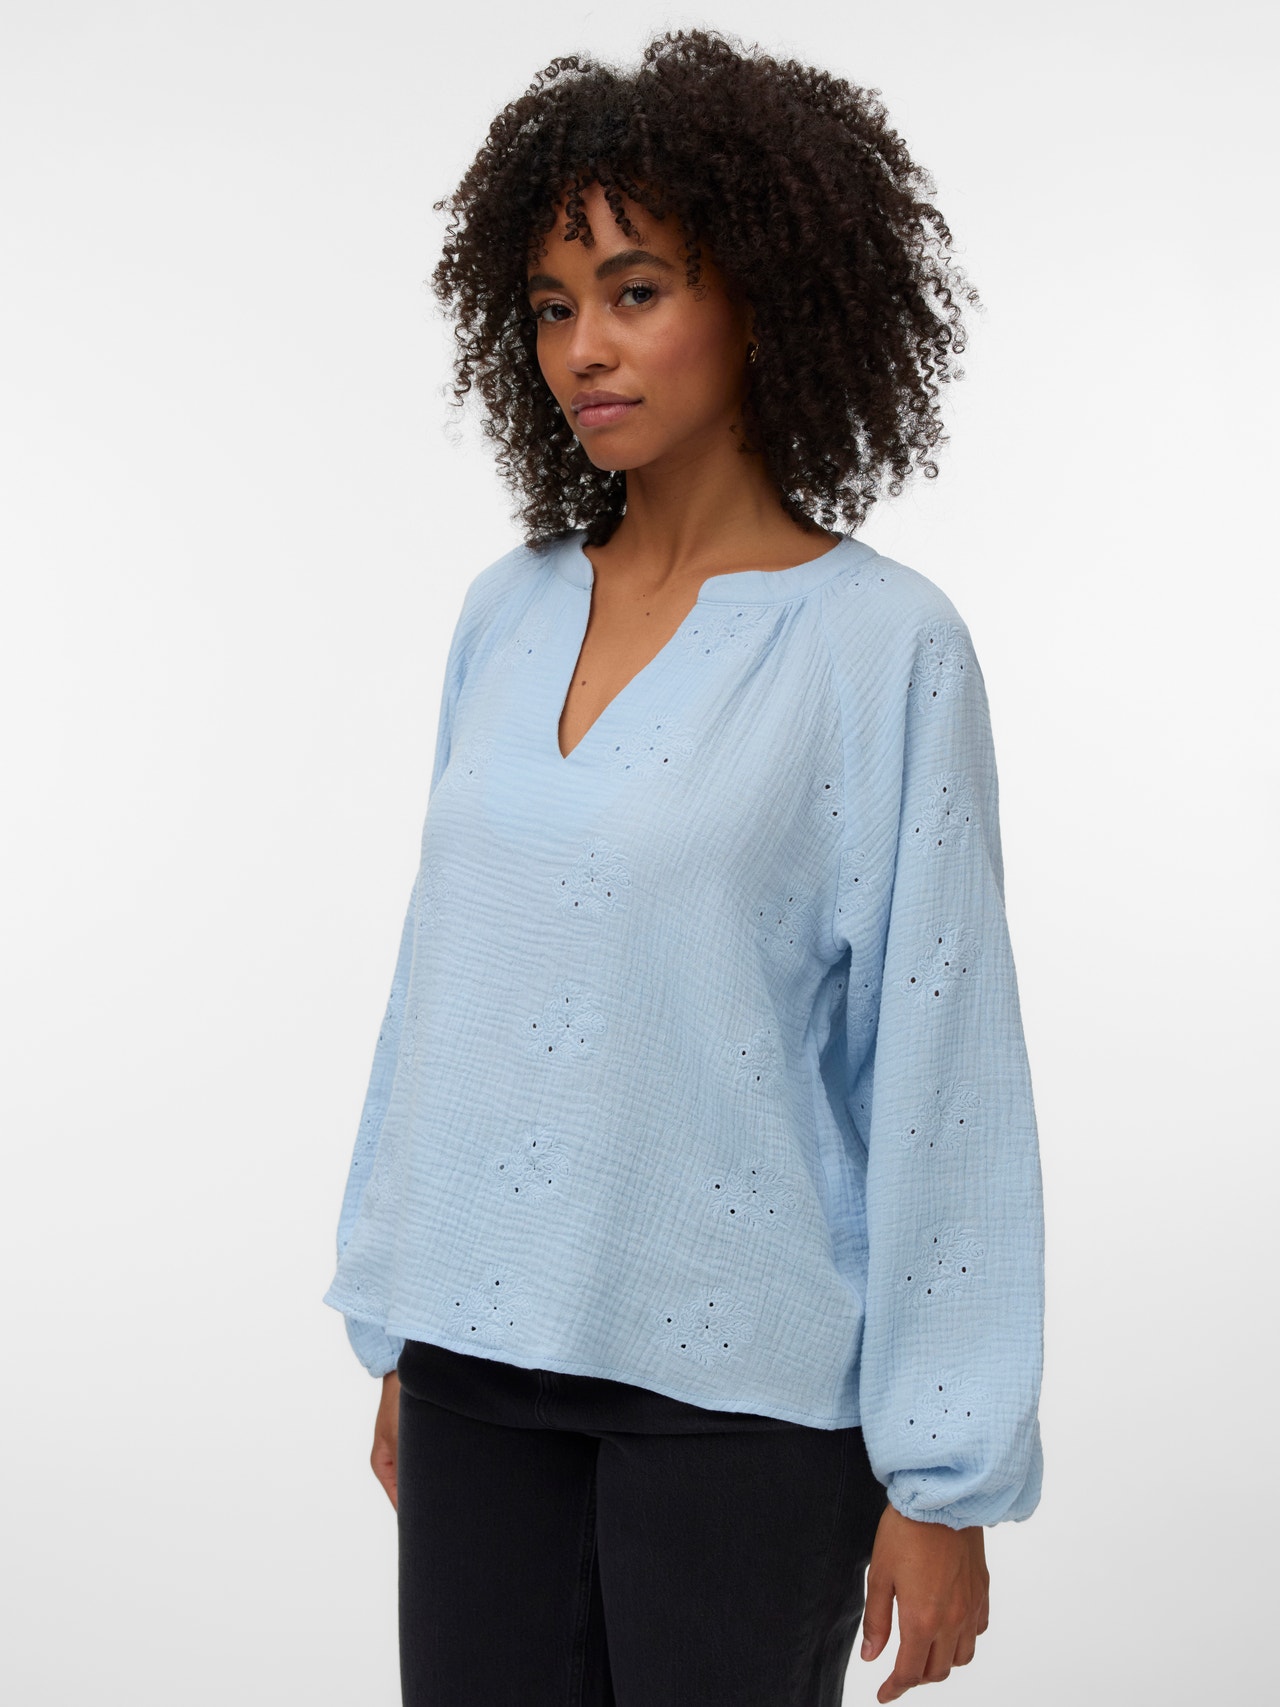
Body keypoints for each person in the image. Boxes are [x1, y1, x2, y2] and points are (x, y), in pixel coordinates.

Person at [322, 27, 1045, 1707]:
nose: (584, 346)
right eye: (551, 306)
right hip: (477, 1369)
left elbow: (941, 1068)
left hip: (744, 1404)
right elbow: (444, 986)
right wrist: (407, 1312)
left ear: (766, 299)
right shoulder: (505, 615)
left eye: (635, 291)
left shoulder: (883, 649)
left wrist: (943, 1478)